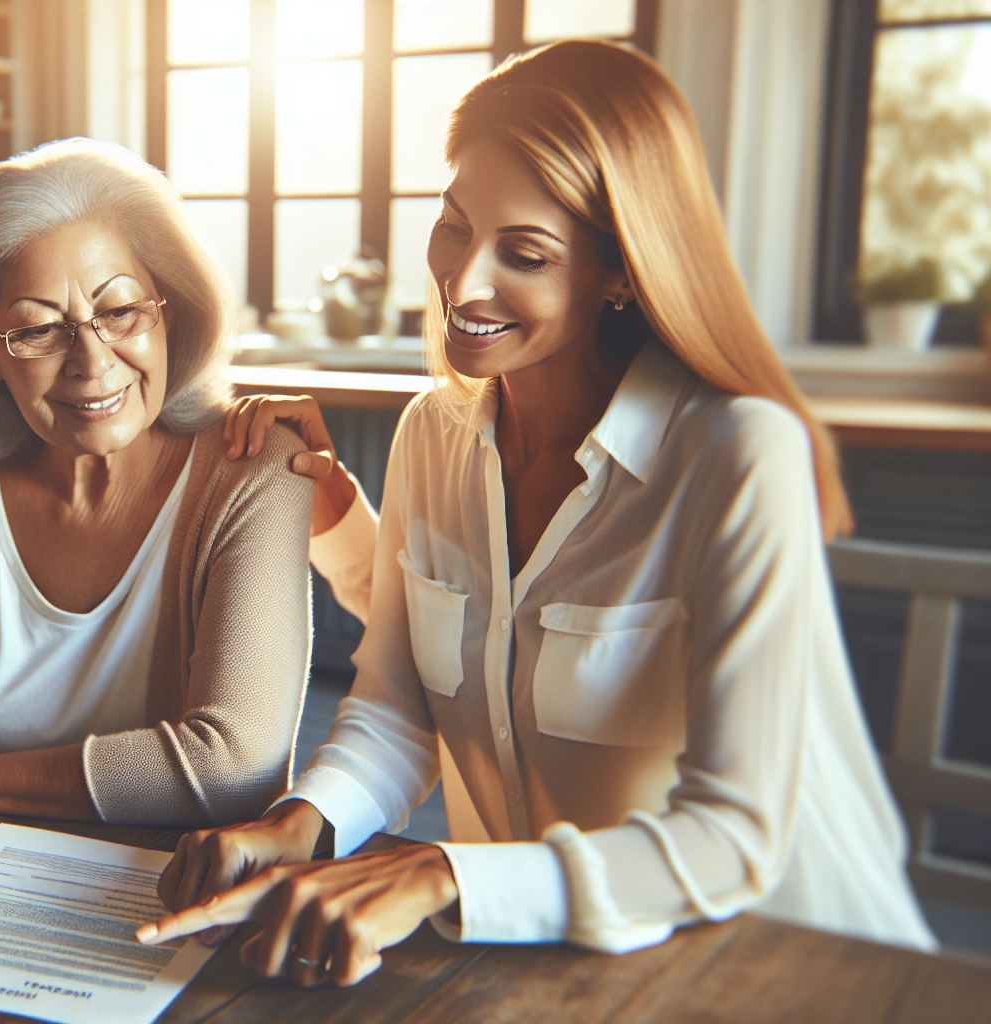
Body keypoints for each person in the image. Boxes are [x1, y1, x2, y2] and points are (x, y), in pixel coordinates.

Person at [140, 40, 936, 986]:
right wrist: (297, 826)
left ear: (620, 272)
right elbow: (399, 711)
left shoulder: (736, 453)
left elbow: (733, 837)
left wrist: (445, 874)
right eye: (452, 226)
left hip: (764, 965)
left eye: (523, 253)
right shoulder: (432, 435)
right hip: (534, 970)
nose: (462, 284)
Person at [0, 139, 315, 941]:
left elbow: (230, 764)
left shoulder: (258, 464)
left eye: (119, 312)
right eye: (39, 330)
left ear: (166, 312)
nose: (91, 362)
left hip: (173, 910)